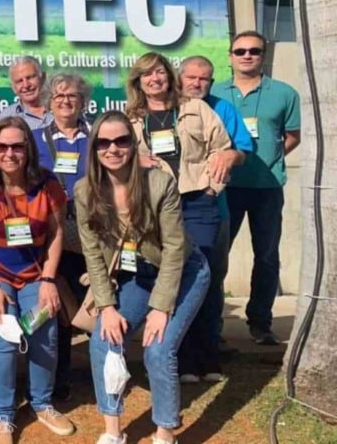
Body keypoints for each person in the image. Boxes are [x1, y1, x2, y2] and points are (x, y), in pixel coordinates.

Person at [75, 111, 210, 444]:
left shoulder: (159, 183)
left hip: (184, 271)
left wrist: (161, 308)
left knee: (157, 350)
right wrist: (105, 306)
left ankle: (164, 433)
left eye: (121, 140)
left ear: (133, 145)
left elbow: (176, 249)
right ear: (94, 148)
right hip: (137, 275)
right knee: (104, 340)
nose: (113, 149)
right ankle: (112, 432)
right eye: (104, 142)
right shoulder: (84, 192)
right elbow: (93, 254)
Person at [0, 116, 76, 443]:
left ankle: (42, 402)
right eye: (2, 146)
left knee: (45, 333)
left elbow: (56, 234)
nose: (9, 153)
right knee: (4, 340)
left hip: (35, 274)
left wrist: (50, 280)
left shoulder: (48, 185)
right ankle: (3, 414)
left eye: (17, 146)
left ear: (28, 150)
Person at [124, 52, 232, 381]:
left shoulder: (194, 109)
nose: (154, 79)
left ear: (170, 77)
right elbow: (121, 163)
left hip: (197, 202)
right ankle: (183, 359)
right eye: (147, 75)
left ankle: (208, 357)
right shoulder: (131, 120)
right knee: (174, 279)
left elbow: (222, 148)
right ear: (138, 82)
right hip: (157, 208)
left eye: (160, 73)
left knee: (204, 276)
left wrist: (212, 188)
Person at [210, 30, 301, 345]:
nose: (247, 56)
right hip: (226, 188)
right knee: (218, 255)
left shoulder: (284, 93)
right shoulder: (216, 93)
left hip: (267, 187)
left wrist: (269, 160)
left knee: (266, 255)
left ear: (263, 55)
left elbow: (292, 136)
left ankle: (260, 322)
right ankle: (212, 327)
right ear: (230, 56)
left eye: (254, 51)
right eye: (240, 51)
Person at [178, 55, 253, 379]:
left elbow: (244, 151)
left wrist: (230, 154)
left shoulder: (223, 109)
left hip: (213, 213)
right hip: (174, 213)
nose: (197, 83)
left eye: (204, 79)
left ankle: (209, 357)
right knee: (178, 285)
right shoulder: (170, 110)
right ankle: (182, 360)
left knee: (210, 282)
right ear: (179, 78)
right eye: (191, 77)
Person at [34, 72, 93, 401]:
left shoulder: (98, 136)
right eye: (58, 96)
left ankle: (104, 376)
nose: (66, 101)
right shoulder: (37, 138)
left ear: (83, 100)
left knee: (95, 304)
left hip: (91, 233)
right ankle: (57, 381)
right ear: (49, 102)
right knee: (56, 309)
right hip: (51, 234)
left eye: (72, 95)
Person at [0, 56, 54, 130]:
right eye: (19, 81)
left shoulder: (63, 108)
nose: (26, 85)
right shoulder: (6, 118)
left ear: (42, 78)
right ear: (13, 88)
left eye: (30, 77)